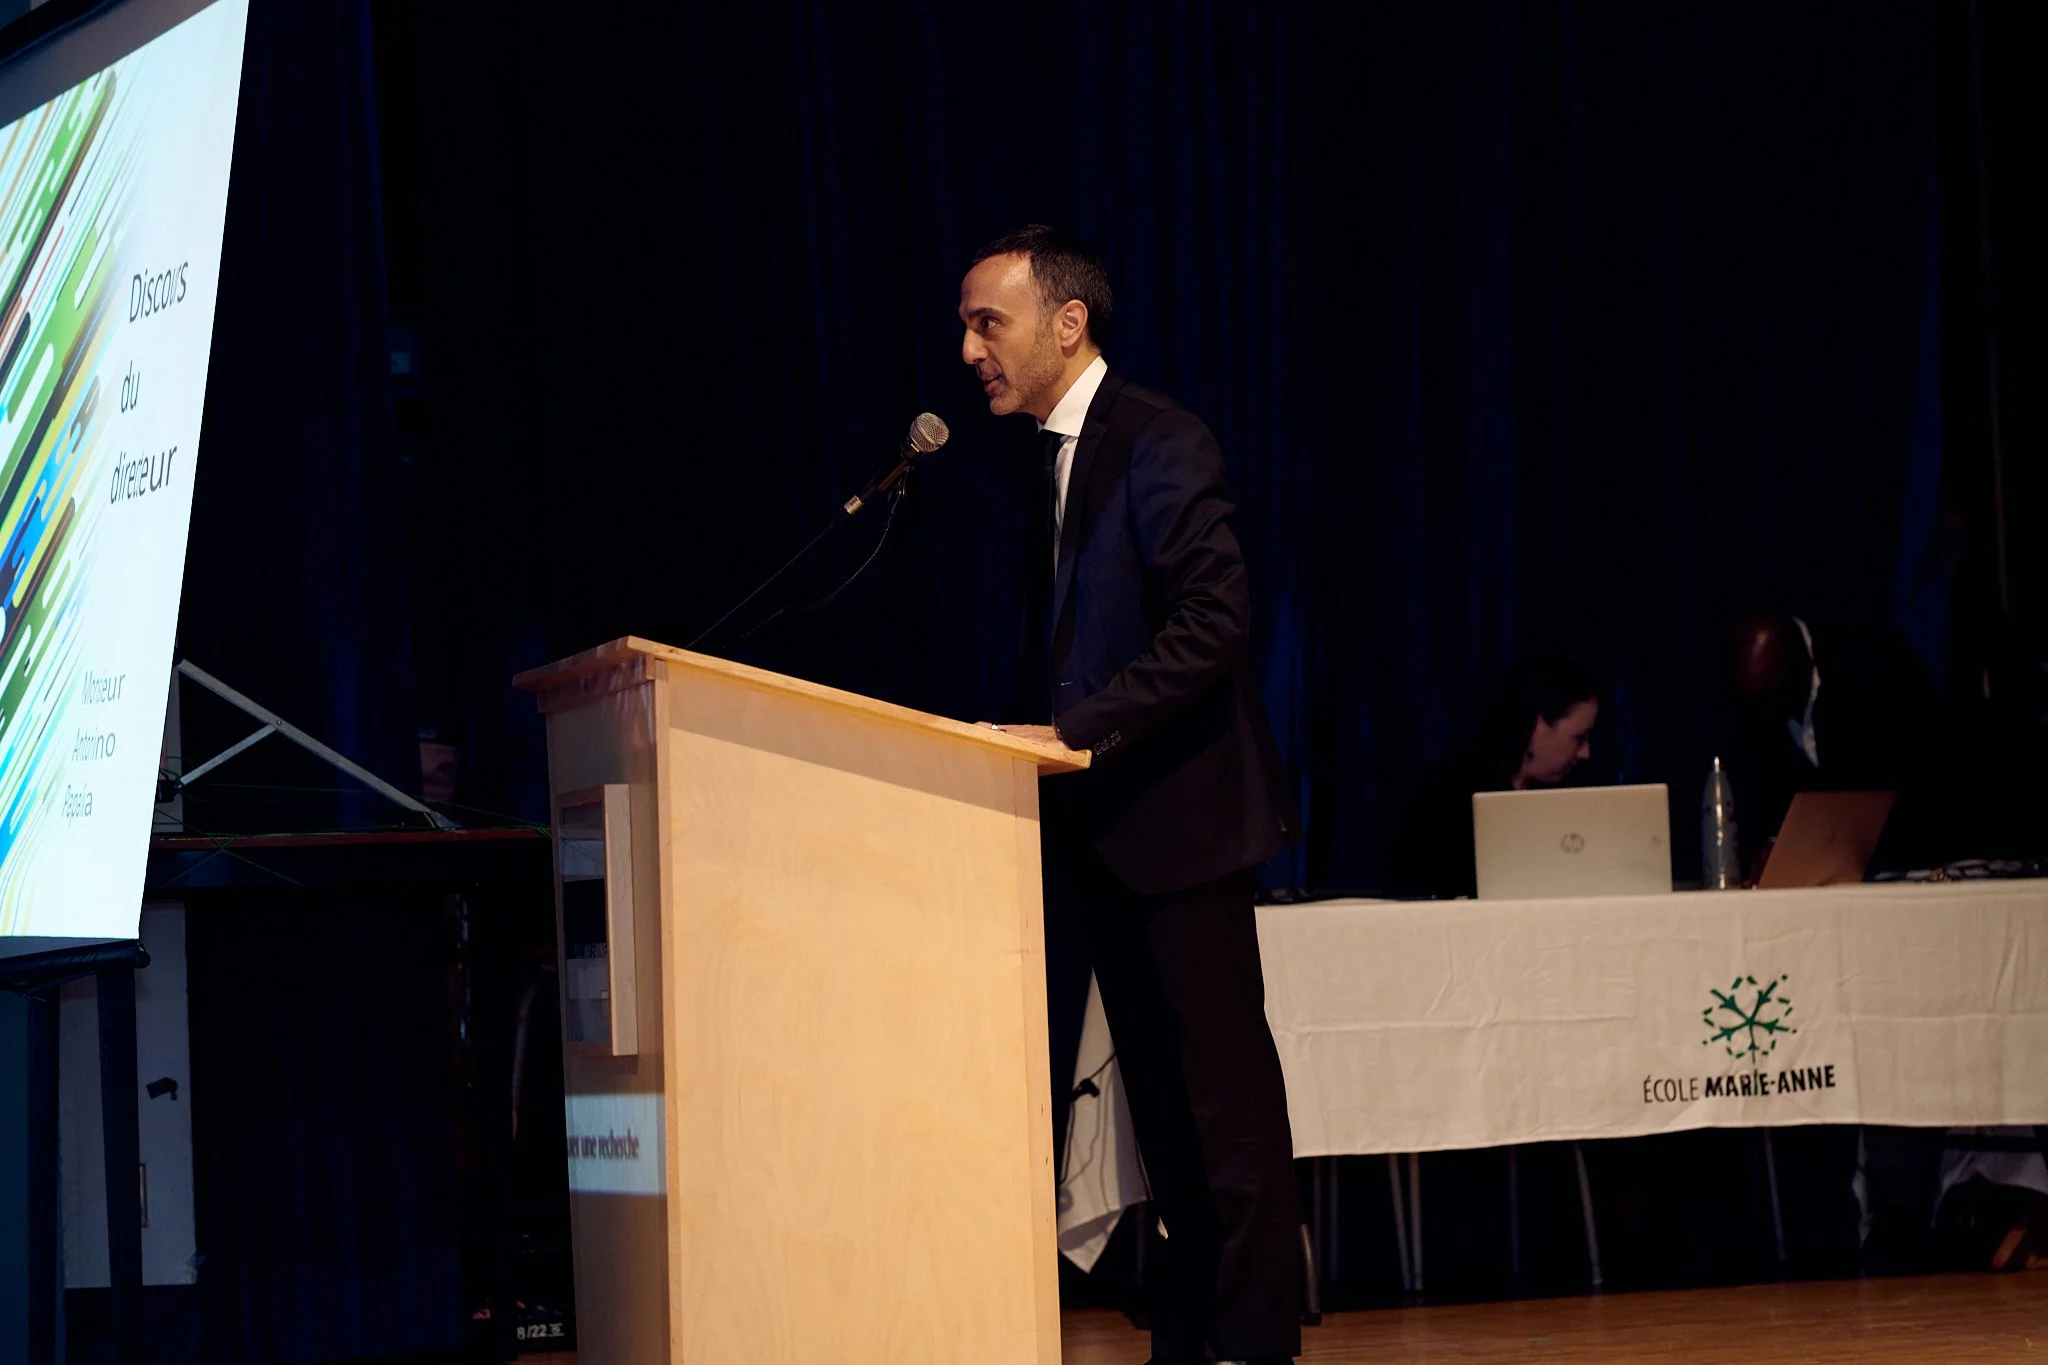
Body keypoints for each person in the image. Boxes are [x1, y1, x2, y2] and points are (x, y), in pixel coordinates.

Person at [960, 225, 1301, 1365]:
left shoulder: (1158, 439)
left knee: (1221, 1112)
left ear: (1067, 323)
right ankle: (1190, 1338)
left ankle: (1252, 1343)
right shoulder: (1047, 460)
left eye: (988, 323)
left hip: (1184, 829)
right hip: (1099, 837)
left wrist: (1073, 731)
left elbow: (1214, 623)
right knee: (1159, 1113)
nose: (969, 350)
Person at [1723, 613, 1944, 876]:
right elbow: (1762, 802)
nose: (1765, 711)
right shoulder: (1755, 706)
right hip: (1824, 880)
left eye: (1772, 696)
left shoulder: (1880, 669)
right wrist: (1774, 850)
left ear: (1802, 662)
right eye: (1758, 702)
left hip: (1915, 860)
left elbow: (1912, 785)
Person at [1383, 656, 1602, 899]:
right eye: (1578, 738)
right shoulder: (1446, 793)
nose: (1585, 753)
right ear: (1537, 725)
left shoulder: (1578, 794)